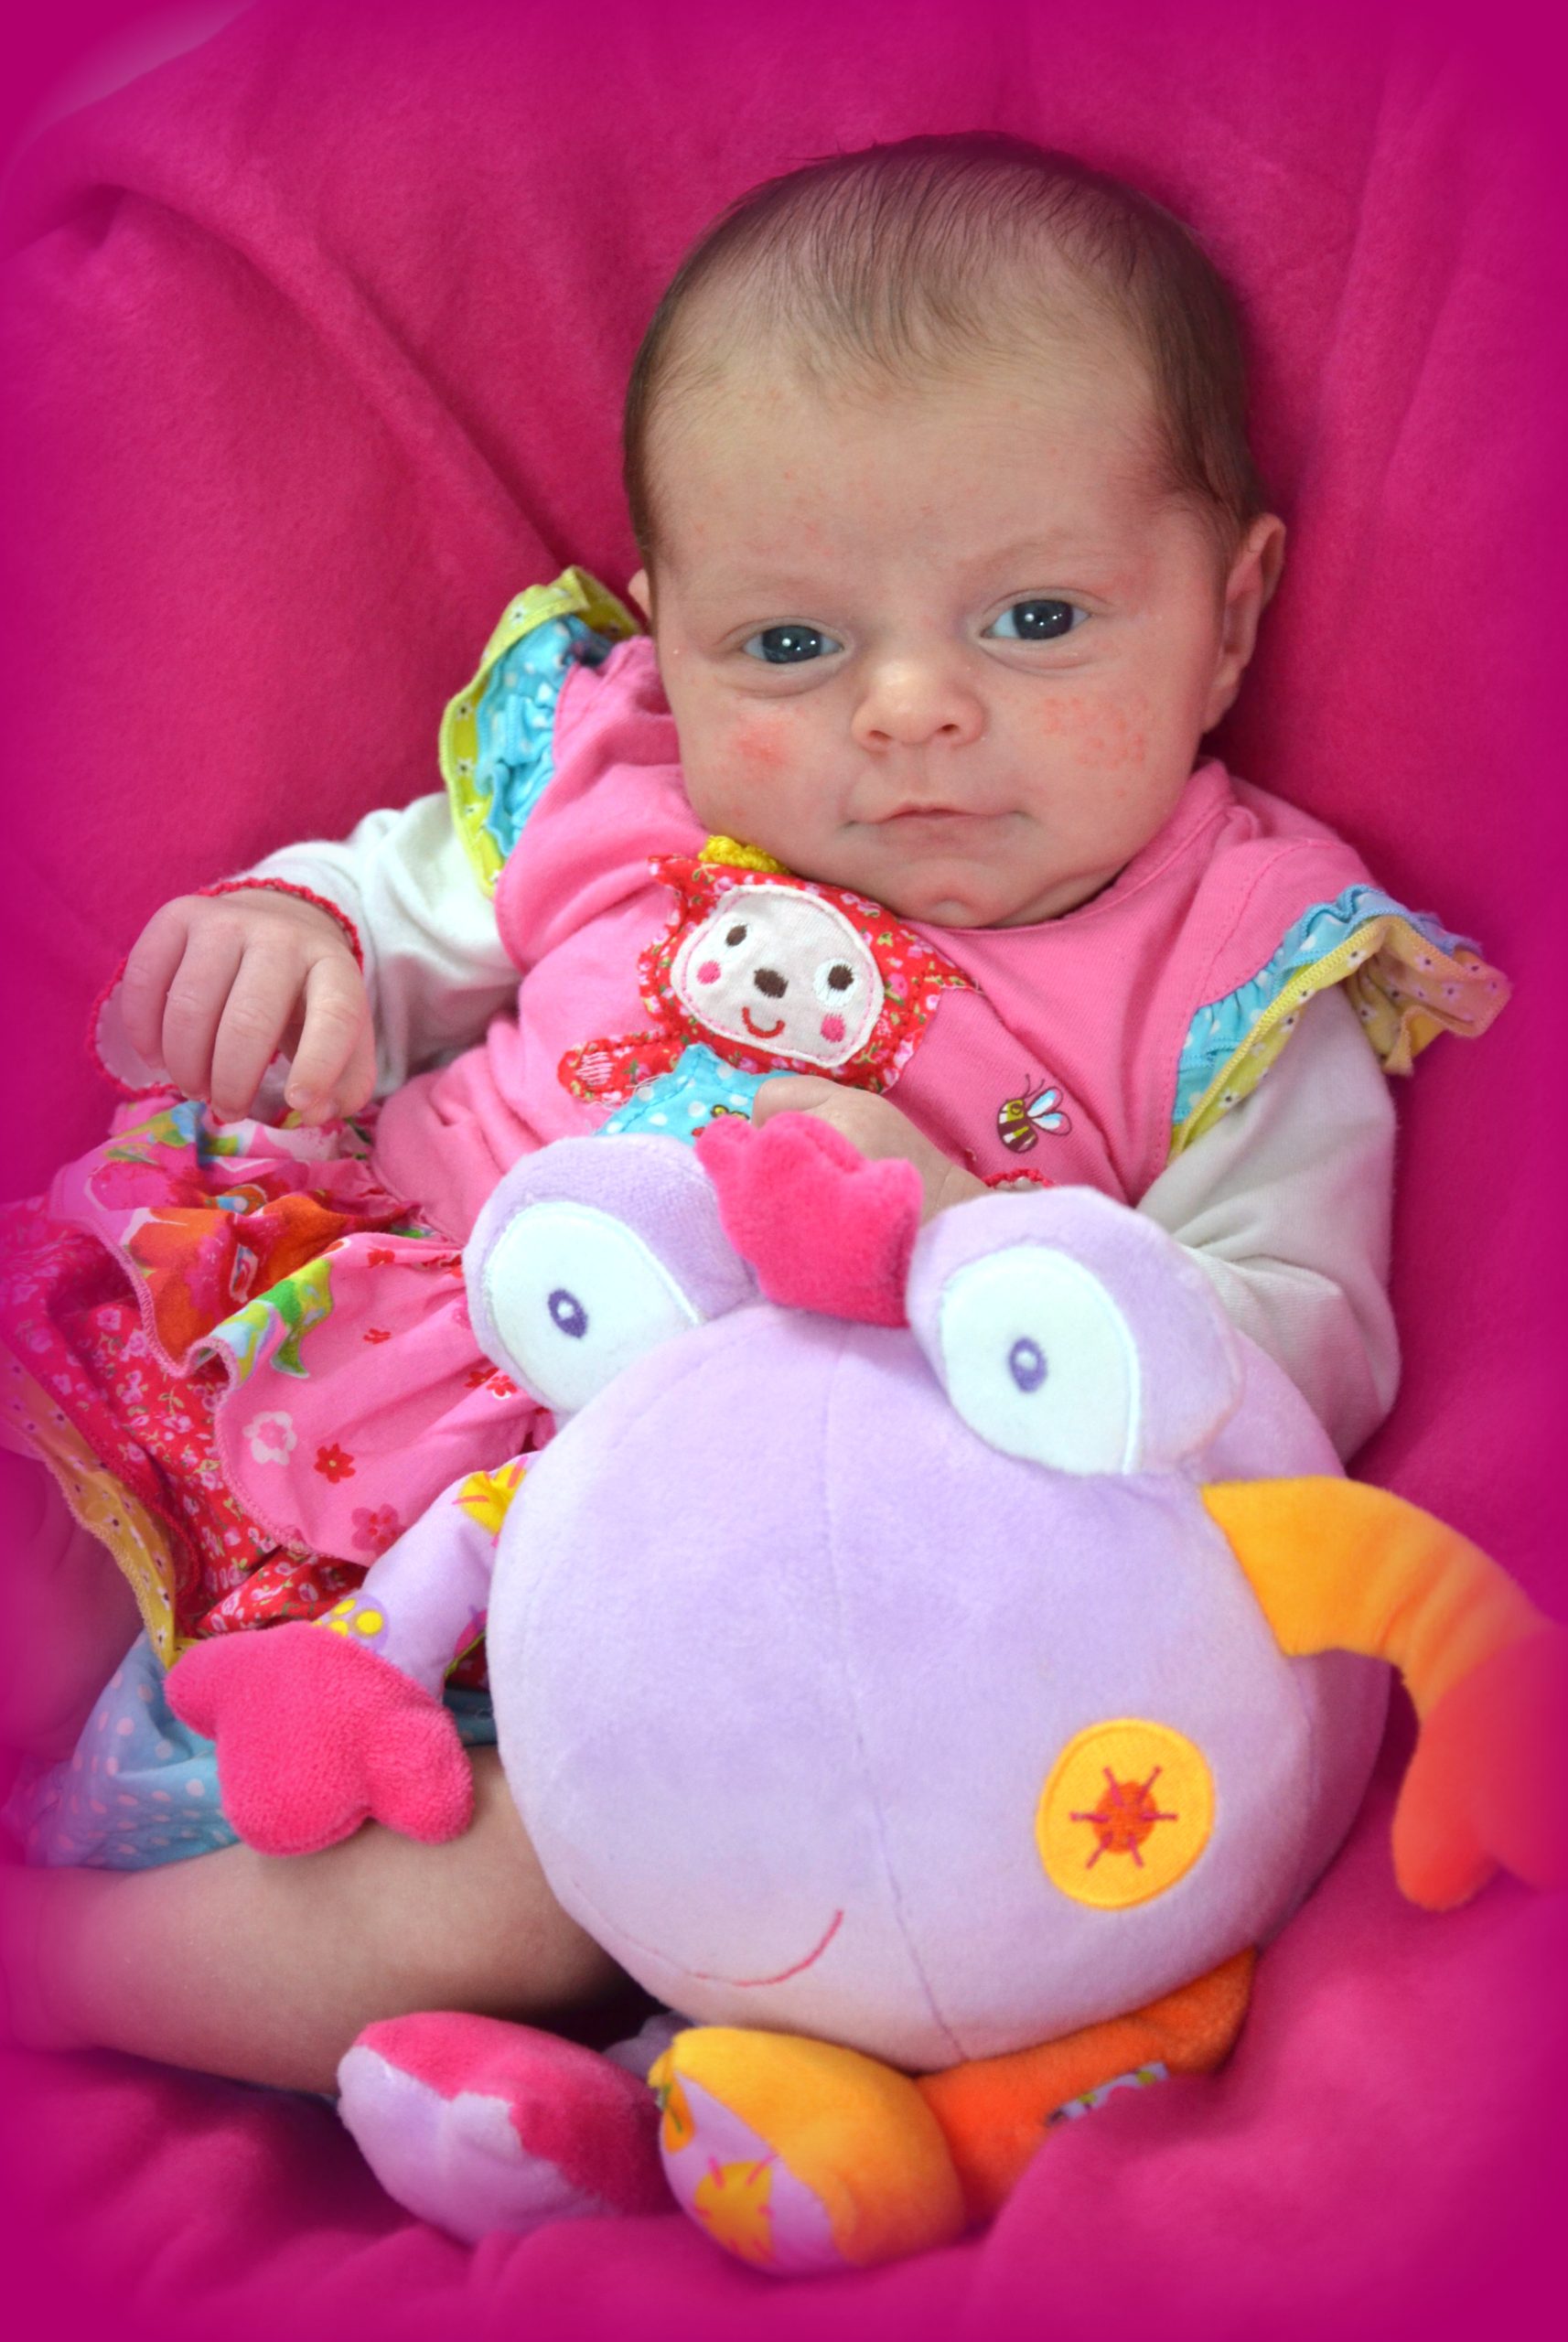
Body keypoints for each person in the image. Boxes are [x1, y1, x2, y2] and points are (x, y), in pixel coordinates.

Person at [0, 135, 1504, 2091]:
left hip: (642, 1624)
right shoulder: (618, 771)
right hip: (287, 1355)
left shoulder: (1235, 963)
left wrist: (973, 1250)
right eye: (788, 645)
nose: (906, 707)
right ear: (666, 628)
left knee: (533, 1912)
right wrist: (301, 933)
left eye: (1035, 619)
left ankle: (64, 1972)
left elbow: (1296, 1341)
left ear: (1226, 616)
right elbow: (396, 910)